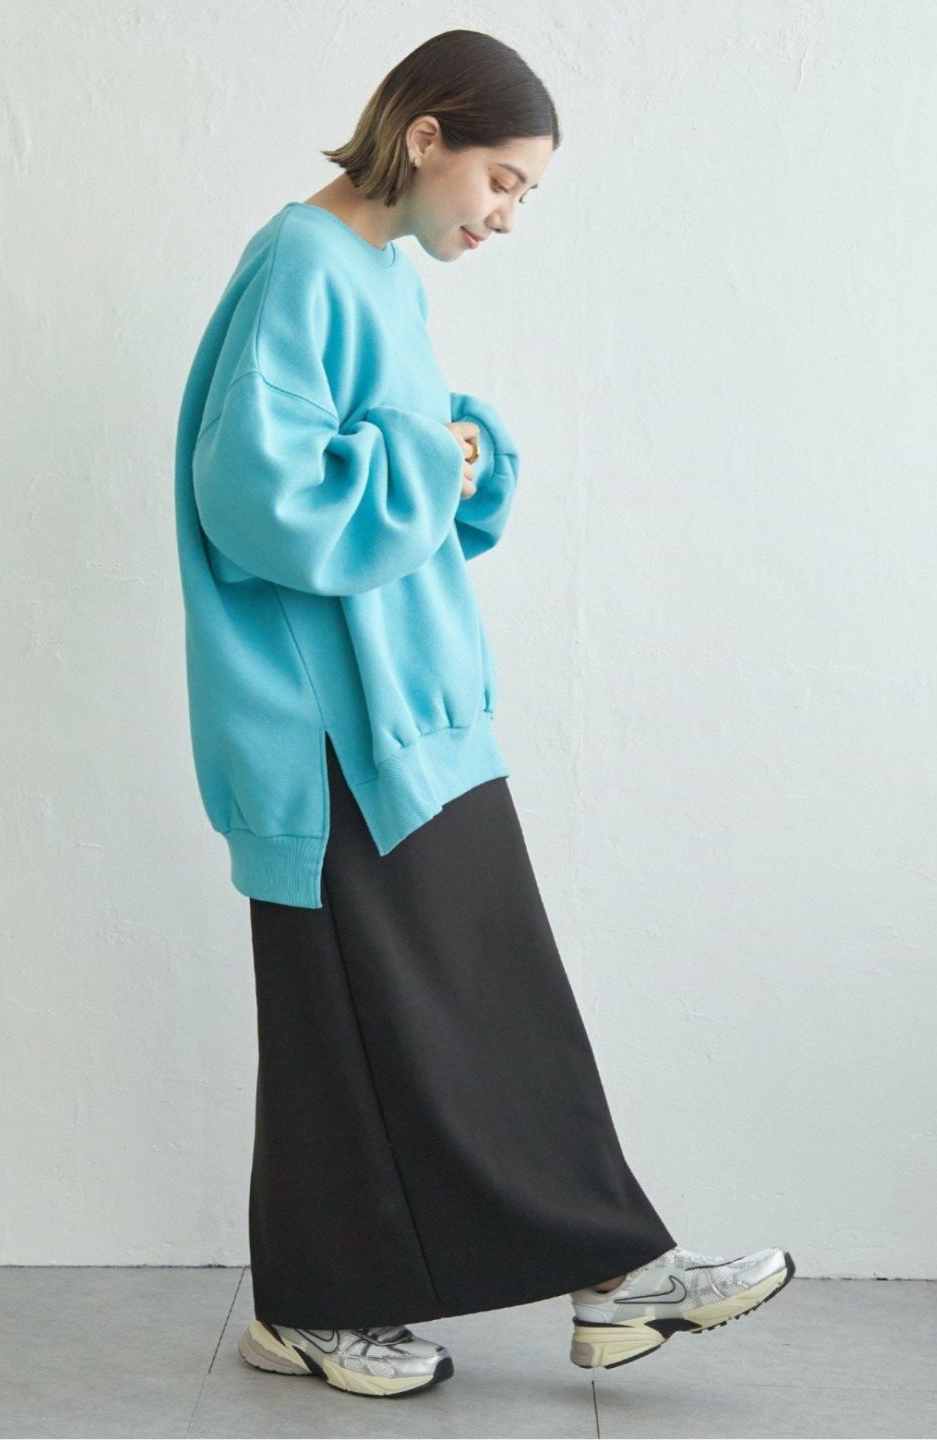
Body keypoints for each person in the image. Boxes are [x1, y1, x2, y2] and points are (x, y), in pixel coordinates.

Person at [174, 29, 794, 1401]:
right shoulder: (303, 261)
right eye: (504, 181)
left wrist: (455, 443)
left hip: (409, 708)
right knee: (372, 1011)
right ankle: (538, 1287)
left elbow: (383, 455)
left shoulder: (380, 273)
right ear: (426, 137)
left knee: (465, 990)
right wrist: (432, 452)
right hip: (330, 726)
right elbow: (255, 494)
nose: (509, 216)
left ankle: (540, 1285)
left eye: (527, 194)